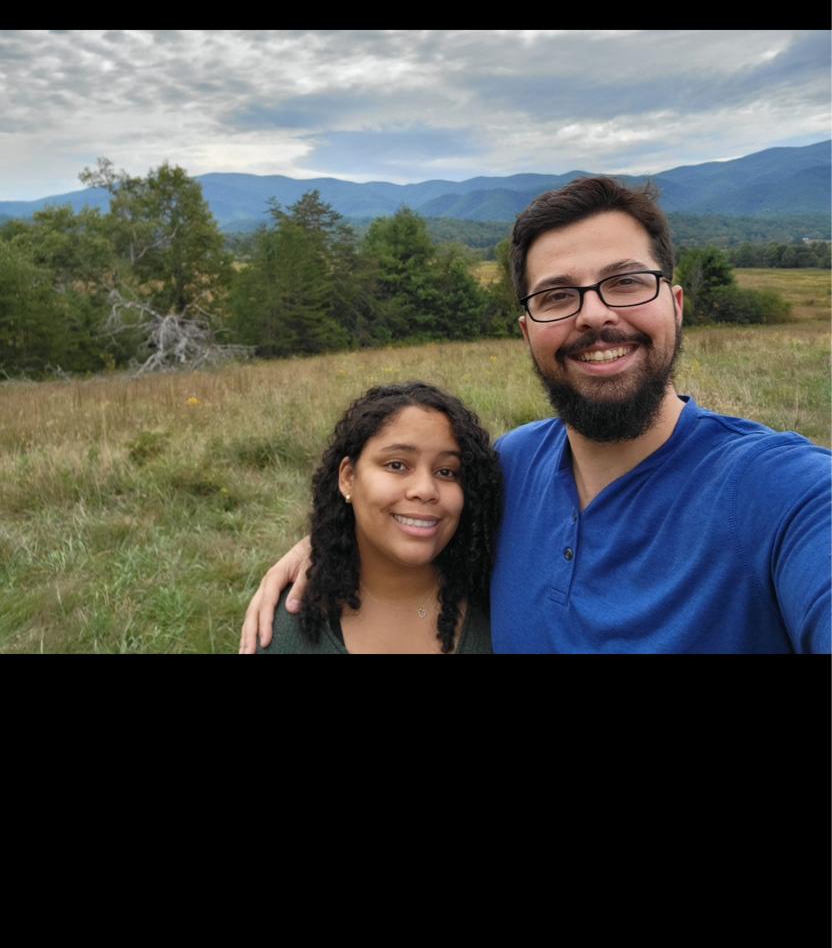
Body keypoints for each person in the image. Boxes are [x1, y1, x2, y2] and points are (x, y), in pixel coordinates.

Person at [240, 177, 831, 655]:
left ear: (674, 305)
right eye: (556, 296)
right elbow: (412, 506)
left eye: (626, 282)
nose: (594, 315)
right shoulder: (508, 469)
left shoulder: (784, 493)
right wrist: (327, 540)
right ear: (527, 332)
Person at [247, 380, 500, 654]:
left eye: (447, 471)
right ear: (348, 478)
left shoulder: (501, 608)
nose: (425, 490)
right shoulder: (286, 631)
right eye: (397, 465)